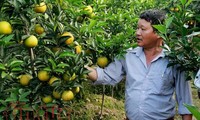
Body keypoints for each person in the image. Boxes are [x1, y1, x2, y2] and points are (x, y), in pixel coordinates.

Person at [85, 9, 193, 120]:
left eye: (143, 29)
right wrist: (80, 68)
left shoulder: (174, 61)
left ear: (159, 33)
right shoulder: (128, 55)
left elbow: (186, 103)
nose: (137, 33)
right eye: (137, 28)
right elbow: (106, 76)